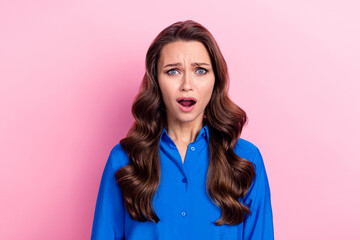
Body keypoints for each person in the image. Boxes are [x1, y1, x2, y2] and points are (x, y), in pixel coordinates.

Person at [91, 20, 274, 240]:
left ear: (215, 80)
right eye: (173, 71)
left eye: (200, 70)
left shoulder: (245, 160)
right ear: (156, 81)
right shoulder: (123, 160)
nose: (187, 84)